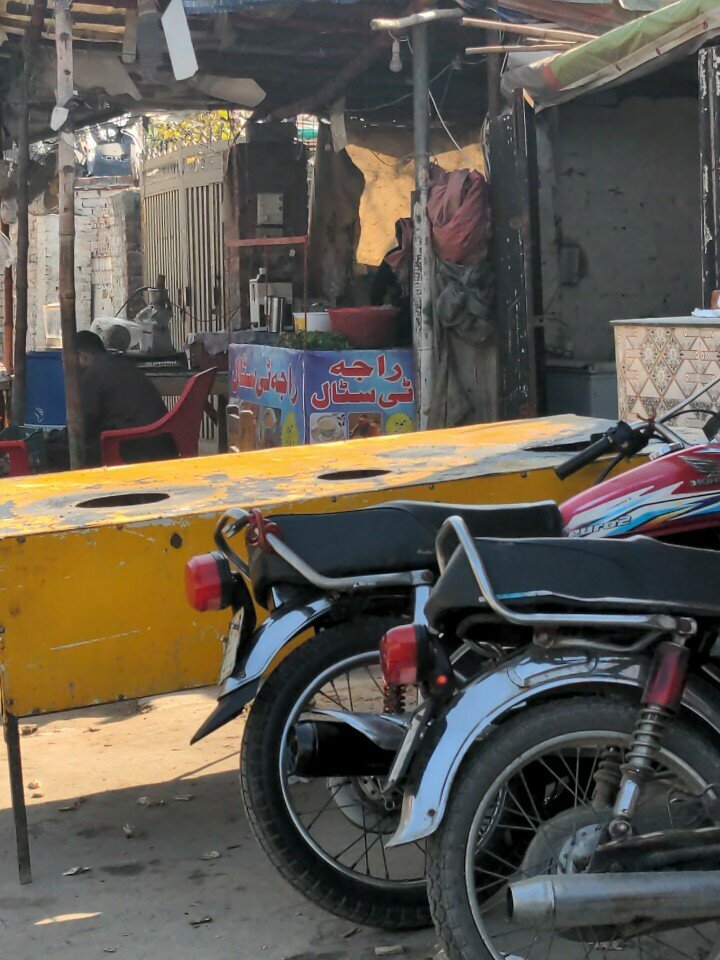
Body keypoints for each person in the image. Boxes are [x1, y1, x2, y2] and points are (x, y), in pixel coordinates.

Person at [75, 330, 176, 466]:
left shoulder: (93, 375)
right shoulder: (122, 365)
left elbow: (82, 428)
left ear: (81, 355)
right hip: (161, 445)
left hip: (138, 450)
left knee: (55, 452)